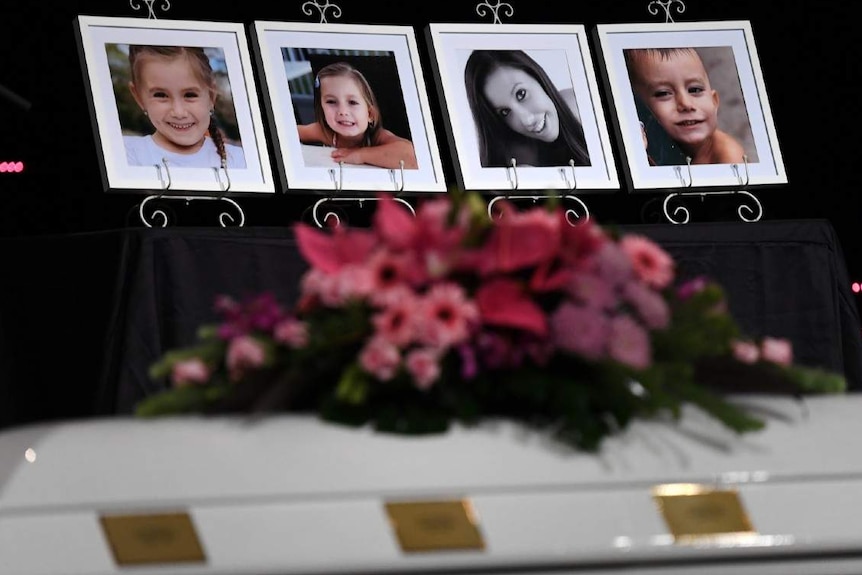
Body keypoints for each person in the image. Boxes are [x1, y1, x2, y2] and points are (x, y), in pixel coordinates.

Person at [463, 50, 590, 169]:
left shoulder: (582, 105)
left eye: (521, 94)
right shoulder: (518, 161)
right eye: (505, 112)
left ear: (537, 77)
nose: (527, 120)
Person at [125, 45, 246, 169]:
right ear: (139, 98)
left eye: (190, 95)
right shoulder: (125, 155)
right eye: (160, 95)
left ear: (211, 96)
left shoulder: (240, 161)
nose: (178, 112)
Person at [624, 47, 746, 165]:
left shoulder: (729, 157)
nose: (686, 104)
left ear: (714, 101)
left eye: (695, 90)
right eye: (663, 93)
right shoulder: (640, 145)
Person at [297, 61, 418, 169]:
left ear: (370, 114)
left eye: (352, 102)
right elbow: (286, 135)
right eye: (331, 102)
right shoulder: (325, 132)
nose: (343, 111)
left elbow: (412, 156)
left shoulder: (378, 137)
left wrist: (360, 155)